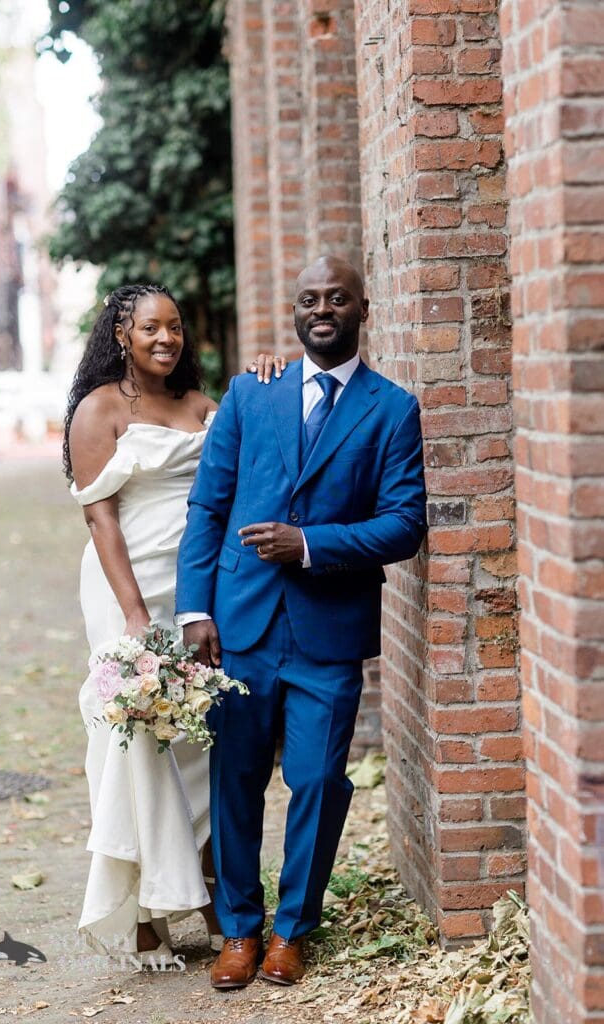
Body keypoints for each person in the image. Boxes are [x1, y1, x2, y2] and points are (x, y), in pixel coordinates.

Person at [176, 256, 428, 988]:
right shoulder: (251, 396)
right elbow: (207, 507)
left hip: (327, 631)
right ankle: (239, 930)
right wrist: (195, 607)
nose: (322, 309)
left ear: (362, 310)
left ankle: (292, 928)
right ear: (294, 312)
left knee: (318, 780)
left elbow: (403, 525)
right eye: (309, 299)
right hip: (241, 624)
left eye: (337, 298)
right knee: (235, 780)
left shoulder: (390, 408)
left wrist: (311, 545)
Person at [64, 283, 286, 963]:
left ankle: (208, 889)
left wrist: (265, 382)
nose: (166, 339)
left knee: (198, 745)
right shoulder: (98, 410)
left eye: (176, 328)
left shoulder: (198, 405)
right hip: (126, 587)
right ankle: (135, 912)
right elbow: (99, 516)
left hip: (193, 588)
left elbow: (248, 452)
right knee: (132, 743)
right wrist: (132, 612)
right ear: (121, 334)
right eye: (150, 328)